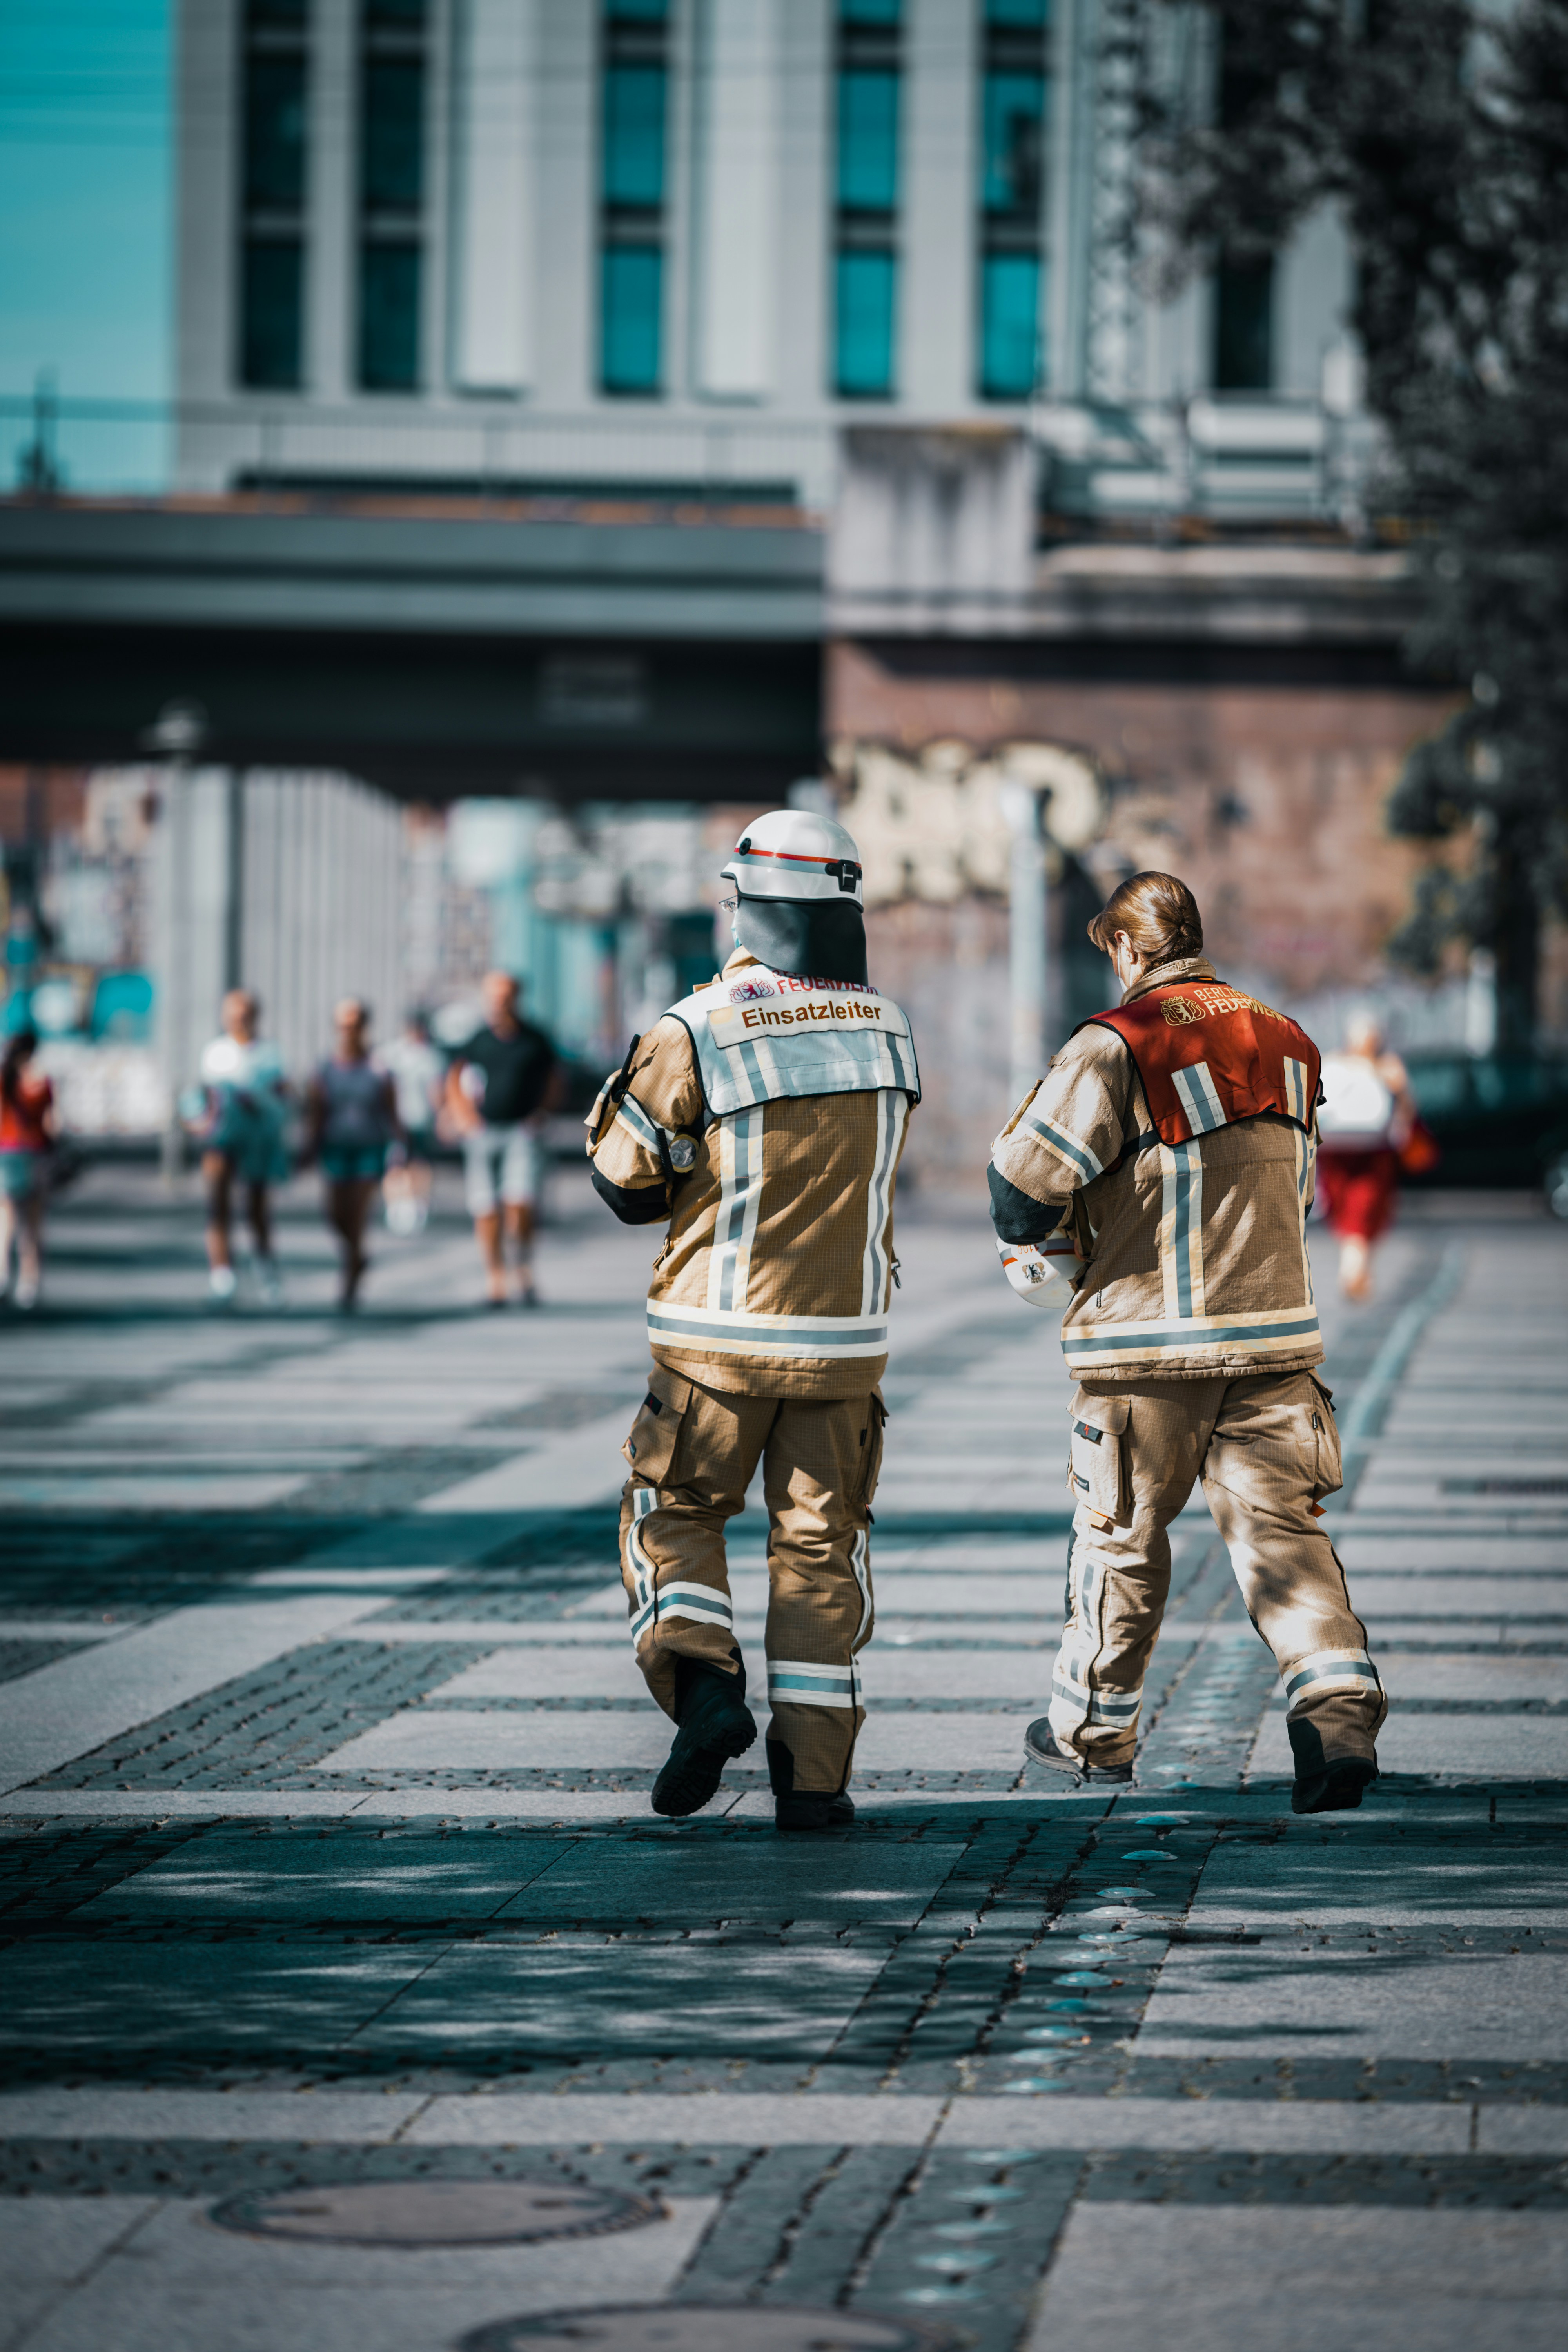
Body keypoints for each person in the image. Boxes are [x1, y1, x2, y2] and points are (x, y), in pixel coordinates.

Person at [988, 870, 1385, 1817]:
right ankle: (1334, 1707)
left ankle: (1093, 1730)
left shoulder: (1115, 1044)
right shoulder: (1287, 1038)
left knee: (1119, 1537)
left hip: (1145, 1348)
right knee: (1283, 1535)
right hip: (1274, 1338)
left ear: (1129, 949)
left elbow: (1018, 1191)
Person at [586, 808, 920, 1833]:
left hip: (713, 1342)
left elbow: (622, 1171)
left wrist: (689, 1156)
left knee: (671, 1514)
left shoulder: (698, 1027)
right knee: (821, 1554)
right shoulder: (890, 1024)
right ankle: (814, 1784)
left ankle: (704, 1689)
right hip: (844, 1347)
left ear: (745, 903)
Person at [445, 971, 558, 1308]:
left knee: (520, 1202)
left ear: (516, 999)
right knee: (486, 1209)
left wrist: (543, 1113)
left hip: (521, 1132)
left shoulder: (535, 1039)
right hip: (483, 1132)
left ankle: (522, 1264)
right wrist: (463, 1116)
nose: (499, 1003)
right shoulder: (477, 1040)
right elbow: (453, 1078)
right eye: (493, 997)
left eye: (505, 996)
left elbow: (555, 1079)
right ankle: (495, 1275)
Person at [192, 989, 290, 1305]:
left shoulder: (270, 1053)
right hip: (222, 1140)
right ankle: (222, 1275)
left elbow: (284, 1095)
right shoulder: (215, 1052)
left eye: (243, 1013)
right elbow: (203, 1100)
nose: (238, 1020)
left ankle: (265, 1271)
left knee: (257, 1209)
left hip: (259, 1139)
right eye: (232, 1013)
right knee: (218, 1206)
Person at [306, 999, 401, 1310]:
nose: (349, 1031)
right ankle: (357, 1257)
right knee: (335, 1214)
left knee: (358, 1214)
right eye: (343, 1025)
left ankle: (350, 1283)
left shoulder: (379, 1067)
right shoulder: (326, 1068)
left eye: (355, 1024)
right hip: (336, 1146)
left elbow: (392, 1111)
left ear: (365, 1027)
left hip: (369, 1147)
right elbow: (317, 1112)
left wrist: (403, 1149)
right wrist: (310, 1147)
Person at [1316, 1012, 1417, 1301]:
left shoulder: (1336, 1063)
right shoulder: (1386, 1067)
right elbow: (1407, 1107)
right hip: (1366, 1149)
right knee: (1361, 1208)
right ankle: (1355, 1270)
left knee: (1357, 1208)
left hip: (1344, 1147)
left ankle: (1355, 1269)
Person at [0, 1027, 54, 1310]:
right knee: (32, 1223)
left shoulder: (4, 1079)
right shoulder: (40, 1081)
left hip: (6, 1151)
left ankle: (3, 1271)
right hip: (35, 1152)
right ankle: (29, 1281)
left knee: (6, 1218)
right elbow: (50, 1123)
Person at [378, 1010, 444, 1236]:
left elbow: (436, 1091)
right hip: (396, 1119)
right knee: (395, 1164)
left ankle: (417, 1204)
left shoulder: (430, 1057)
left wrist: (440, 1116)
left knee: (418, 1163)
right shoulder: (392, 1053)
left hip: (420, 1119)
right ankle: (397, 1204)